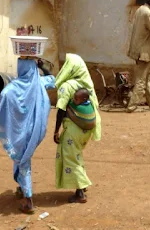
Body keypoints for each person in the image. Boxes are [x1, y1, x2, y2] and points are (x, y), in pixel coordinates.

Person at [0, 57, 55, 214]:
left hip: (19, 132)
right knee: (21, 159)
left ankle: (28, 201)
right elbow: (53, 79)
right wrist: (42, 67)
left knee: (22, 160)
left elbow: (4, 98)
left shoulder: (11, 88)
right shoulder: (40, 83)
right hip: (35, 131)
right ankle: (21, 188)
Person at [53, 53, 101, 203]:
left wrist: (56, 130)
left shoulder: (67, 86)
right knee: (77, 155)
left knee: (70, 158)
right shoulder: (86, 85)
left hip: (73, 131)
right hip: (86, 130)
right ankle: (82, 184)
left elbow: (61, 109)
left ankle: (80, 192)